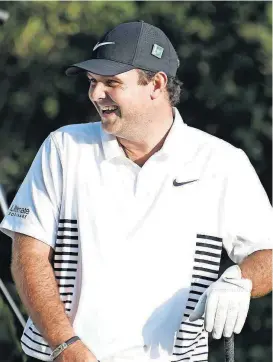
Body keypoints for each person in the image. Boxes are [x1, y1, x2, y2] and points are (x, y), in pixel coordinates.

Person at [0, 20, 272, 362]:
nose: (96, 95)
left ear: (156, 84)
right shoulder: (64, 147)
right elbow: (28, 255)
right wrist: (64, 344)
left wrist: (240, 280)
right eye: (92, 82)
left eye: (111, 83)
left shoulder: (222, 163)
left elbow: (268, 254)